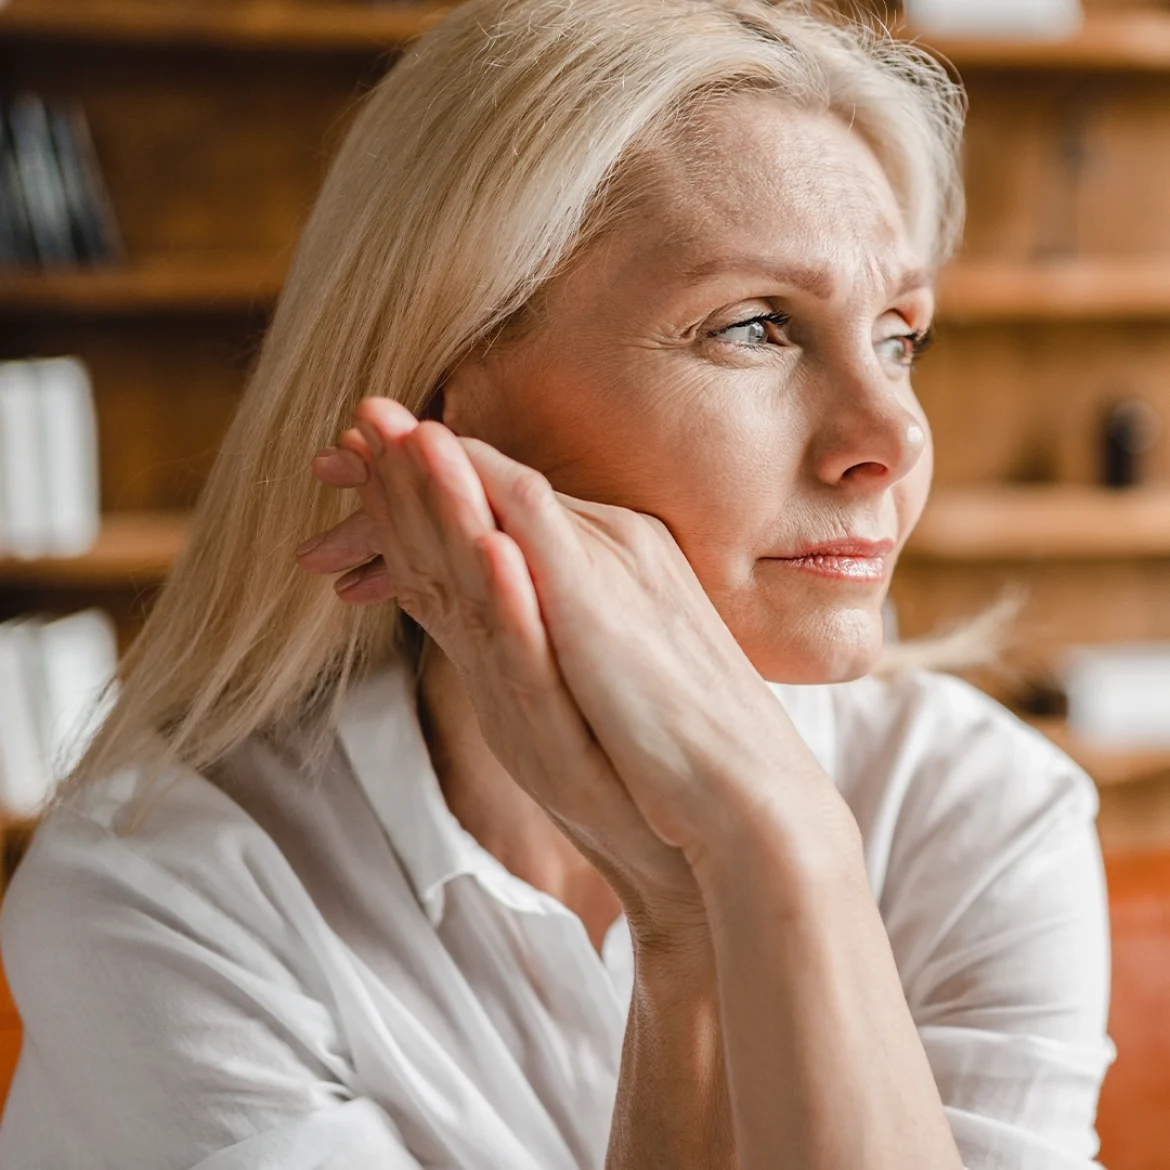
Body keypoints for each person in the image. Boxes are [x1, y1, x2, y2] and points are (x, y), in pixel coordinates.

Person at [0, 0, 1114, 1166]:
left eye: (899, 334)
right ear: (446, 404)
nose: (891, 434)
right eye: (754, 328)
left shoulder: (981, 814)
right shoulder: (166, 899)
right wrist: (699, 916)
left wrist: (788, 856)